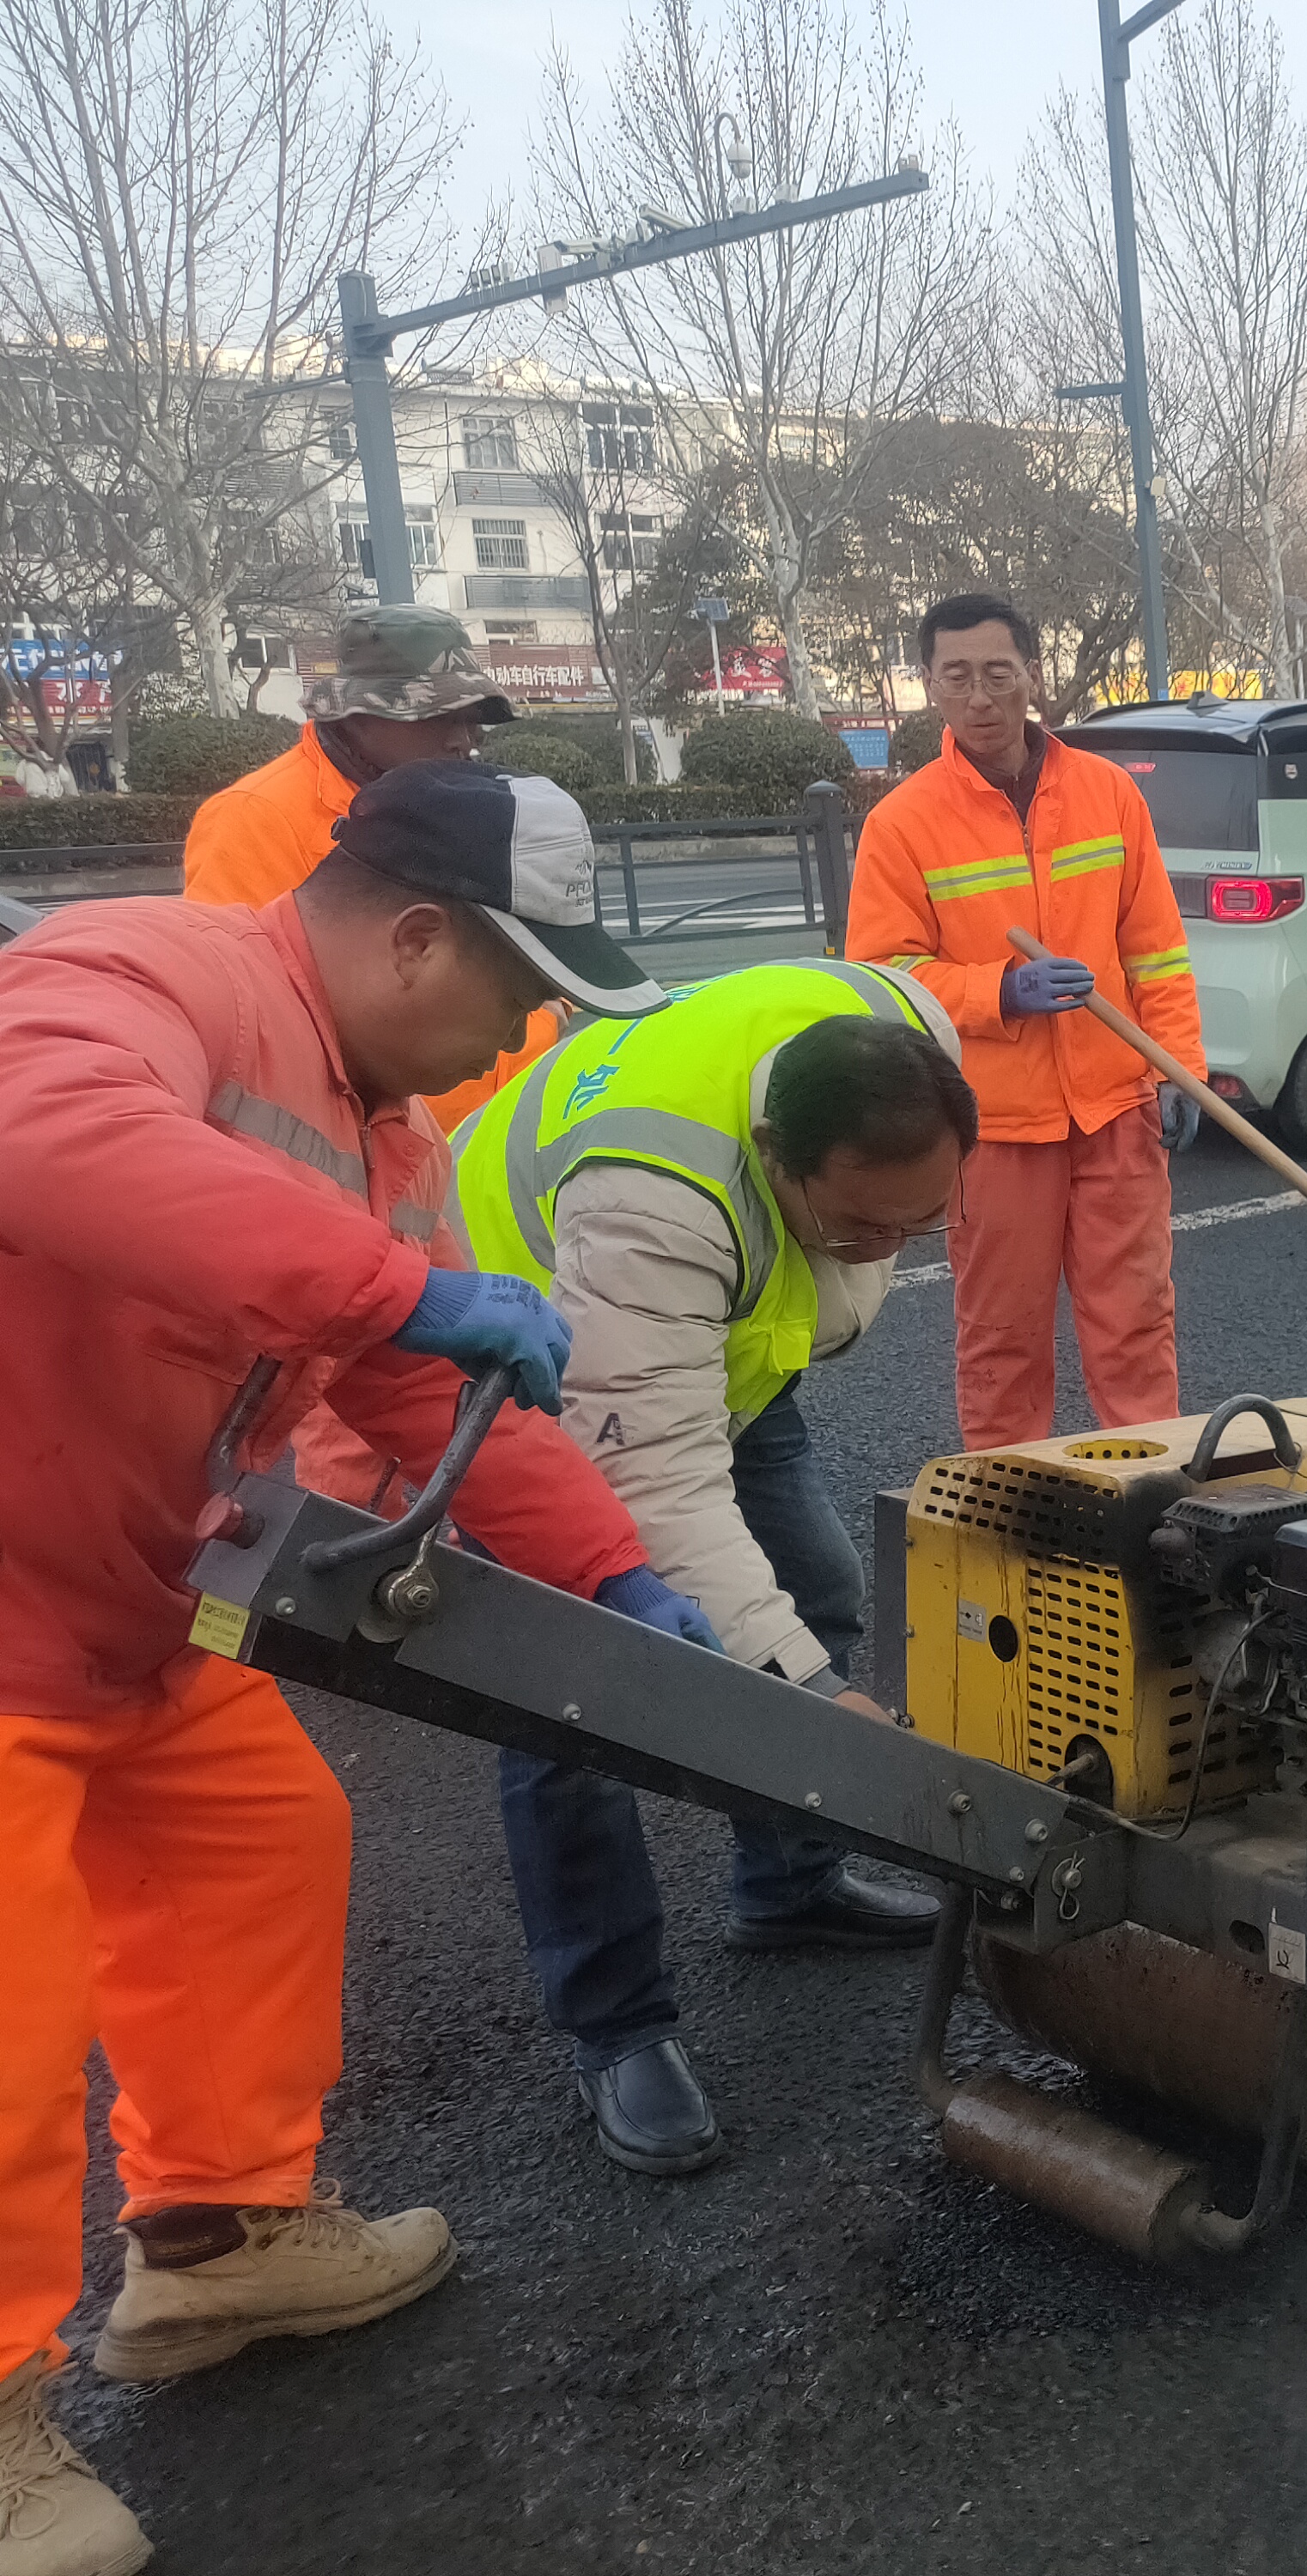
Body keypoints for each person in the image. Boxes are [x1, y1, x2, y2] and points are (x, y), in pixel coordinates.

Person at [0, 759, 709, 2576]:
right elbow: (39, 1134)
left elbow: (427, 1389)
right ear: (416, 937)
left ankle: (218, 2249)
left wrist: (618, 1577)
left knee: (263, 1853)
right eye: (519, 991)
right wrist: (395, 1297)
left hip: (137, 1599)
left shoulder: (392, 1140)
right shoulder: (143, 973)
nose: (520, 1036)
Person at [449, 960, 974, 2172]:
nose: (890, 1250)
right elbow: (660, 1490)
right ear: (775, 1153)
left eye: (919, 1224)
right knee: (577, 1694)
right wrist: (807, 1694)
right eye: (862, 1224)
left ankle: (789, 1881)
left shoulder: (903, 1039)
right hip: (525, 1364)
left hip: (721, 1339)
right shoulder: (656, 1198)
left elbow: (836, 1244)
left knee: (818, 1582)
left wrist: (800, 1665)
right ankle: (617, 2027)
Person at [844, 591, 1208, 1449]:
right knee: (1001, 1345)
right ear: (928, 685)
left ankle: (1153, 1497)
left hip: (1116, 1107)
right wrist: (997, 992)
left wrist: (1177, 1067)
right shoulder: (903, 823)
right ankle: (1008, 1518)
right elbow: (880, 978)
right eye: (957, 676)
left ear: (1032, 677)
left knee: (1136, 1330)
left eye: (997, 673)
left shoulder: (1108, 795)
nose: (980, 697)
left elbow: (1155, 949)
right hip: (993, 1127)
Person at [182, 604, 559, 1133]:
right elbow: (241, 1016)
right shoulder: (254, 816)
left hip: (502, 1122)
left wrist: (542, 1017)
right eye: (437, 715)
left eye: (471, 717)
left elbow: (548, 938)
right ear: (359, 715)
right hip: (367, 1144)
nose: (463, 738)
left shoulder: (462, 798)